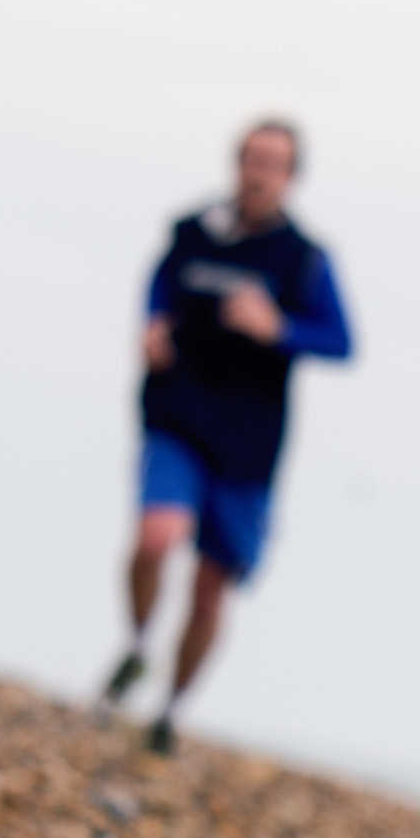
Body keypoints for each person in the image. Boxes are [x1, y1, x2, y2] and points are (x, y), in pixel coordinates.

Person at [104, 119, 354, 752]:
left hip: (247, 446)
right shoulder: (192, 233)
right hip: (178, 414)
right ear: (235, 164)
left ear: (292, 177)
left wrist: (280, 328)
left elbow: (342, 340)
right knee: (158, 535)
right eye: (251, 159)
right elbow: (159, 284)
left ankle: (170, 711)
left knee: (212, 587)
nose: (259, 172)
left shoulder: (303, 260)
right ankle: (137, 645)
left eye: (273, 163)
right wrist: (152, 324)